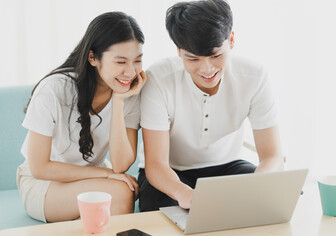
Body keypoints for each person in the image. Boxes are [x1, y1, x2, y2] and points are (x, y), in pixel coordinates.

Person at [138, 0, 284, 212]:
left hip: (228, 167)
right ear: (179, 51)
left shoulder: (254, 77)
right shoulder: (159, 79)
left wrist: (259, 186)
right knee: (159, 213)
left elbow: (272, 156)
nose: (207, 69)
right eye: (193, 59)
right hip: (171, 173)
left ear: (231, 40)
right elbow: (156, 164)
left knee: (277, 198)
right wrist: (184, 194)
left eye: (216, 56)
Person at [17, 12, 147, 222]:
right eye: (121, 62)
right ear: (93, 57)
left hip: (92, 179)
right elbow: (40, 167)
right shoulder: (54, 89)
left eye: (138, 60)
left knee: (124, 191)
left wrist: (119, 101)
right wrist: (104, 175)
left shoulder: (130, 93)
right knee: (120, 192)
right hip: (44, 183)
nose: (131, 72)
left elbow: (121, 164)